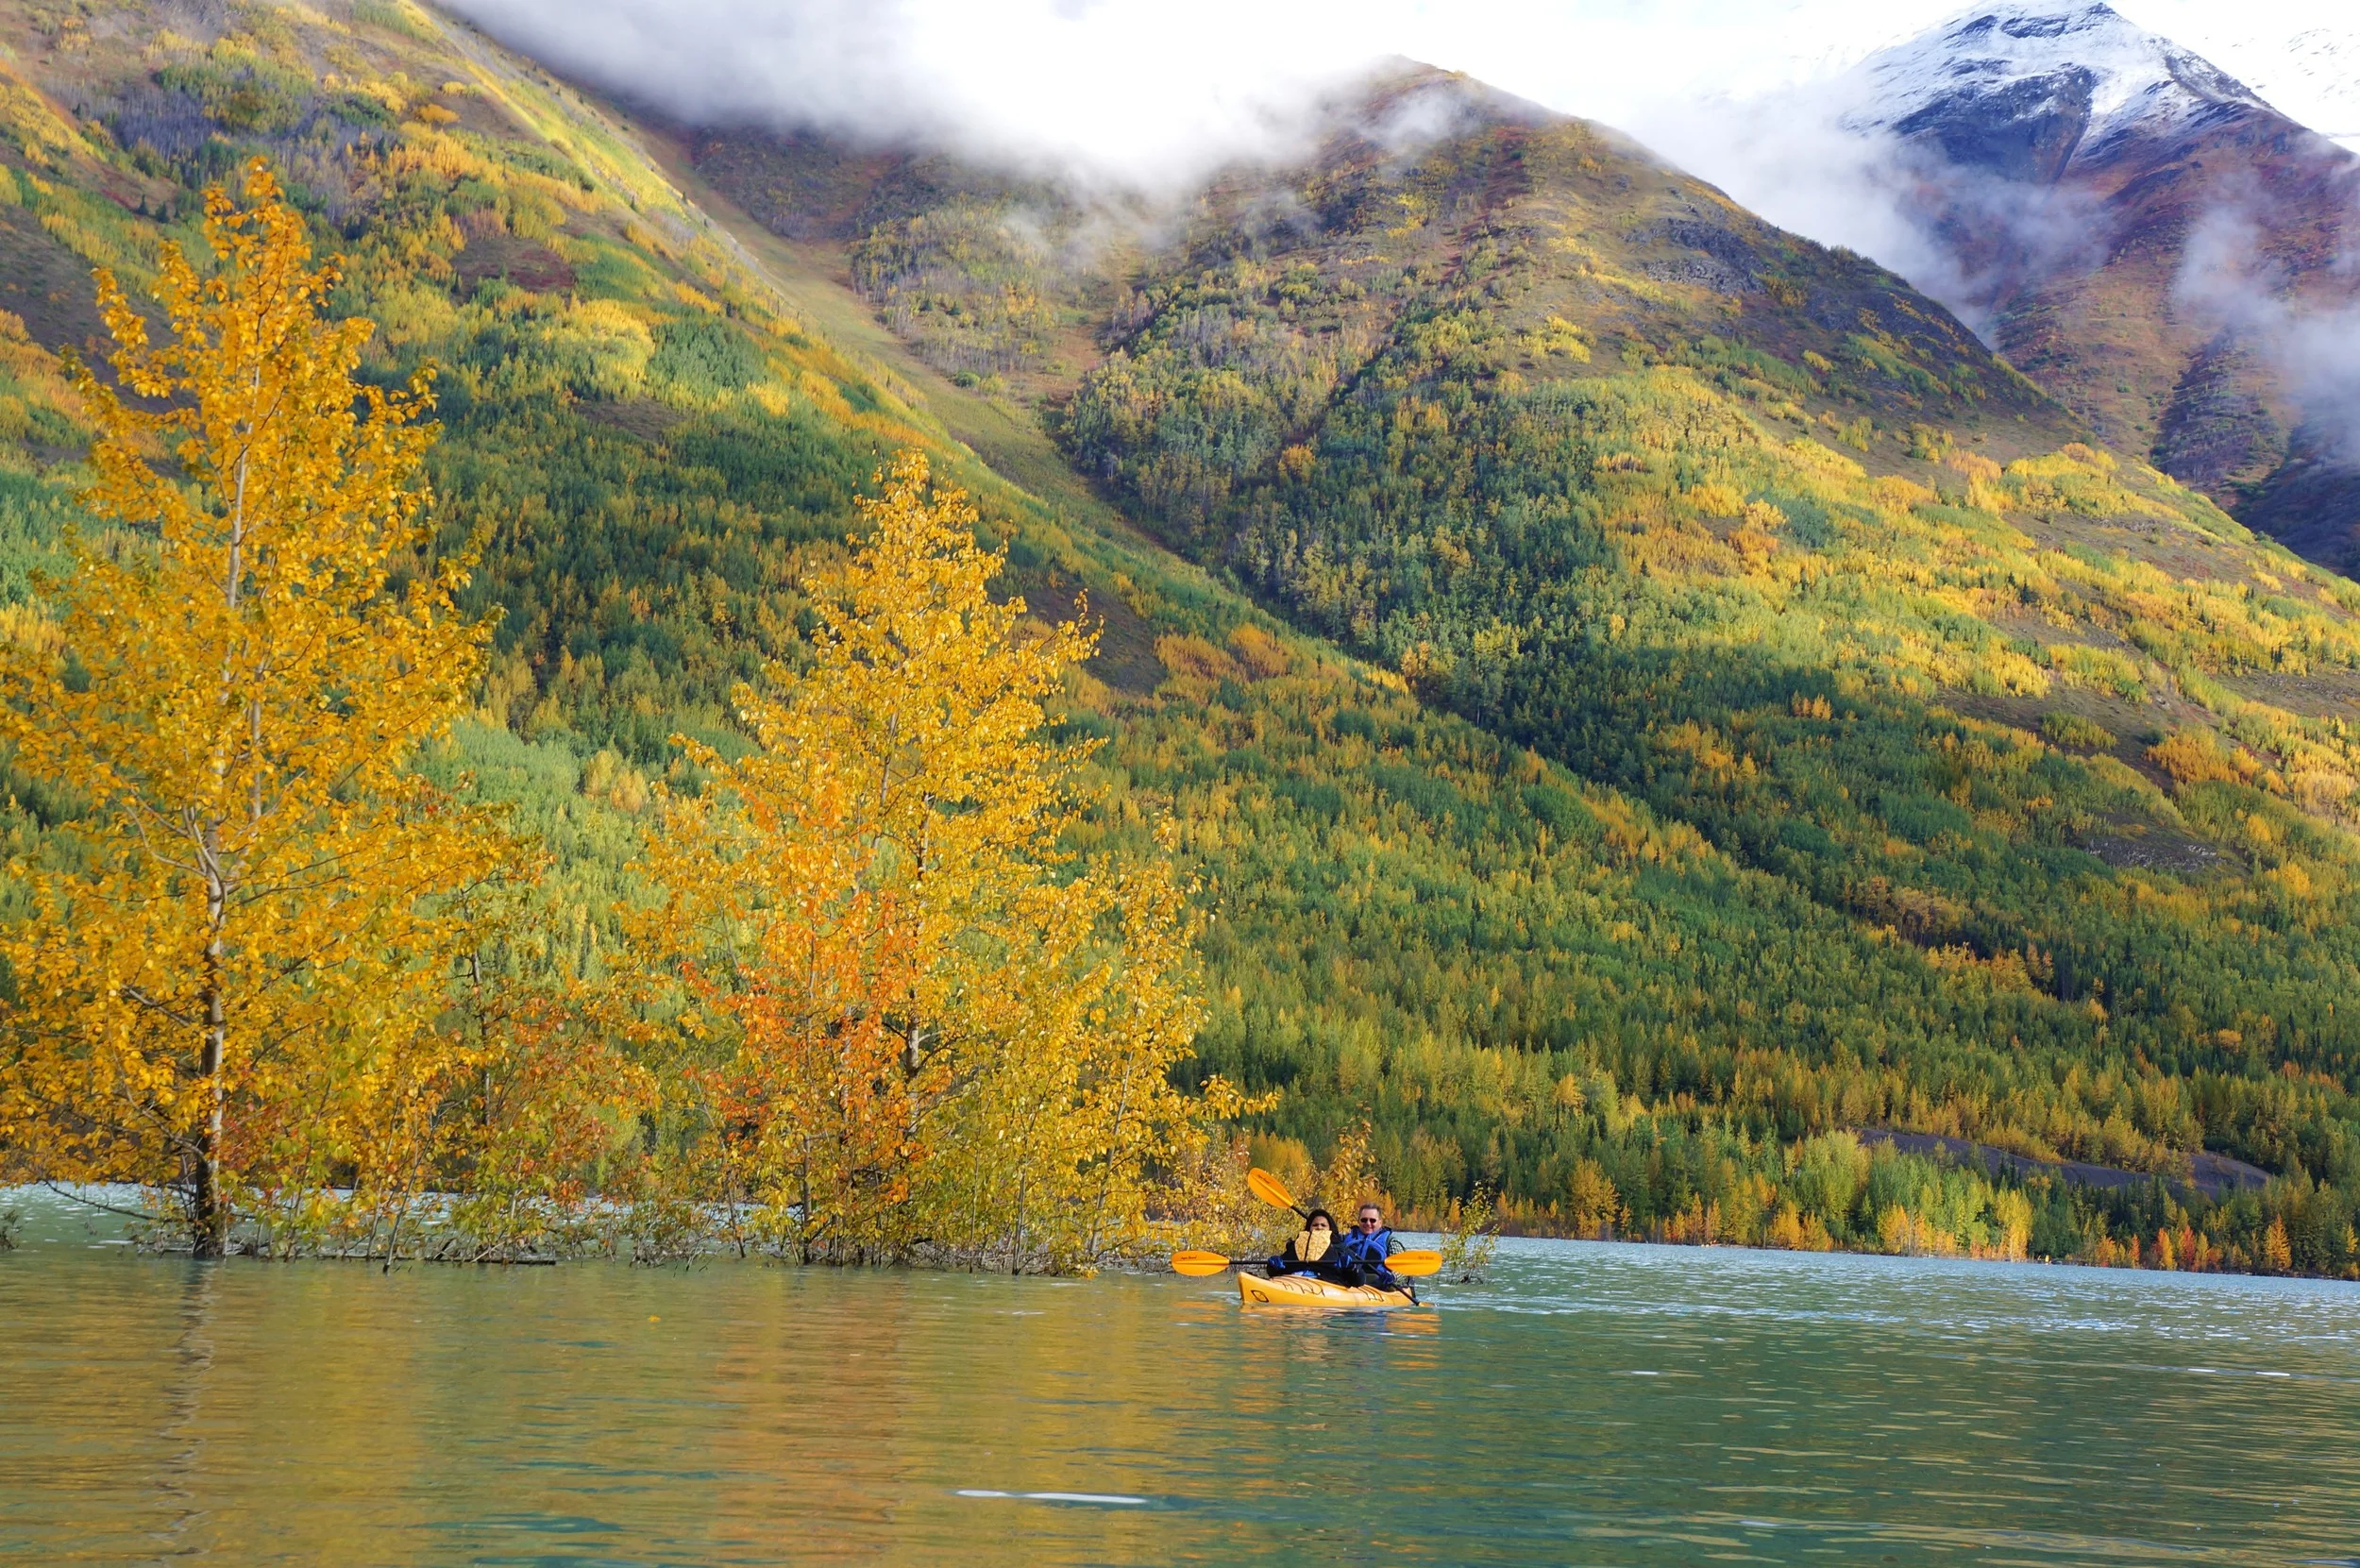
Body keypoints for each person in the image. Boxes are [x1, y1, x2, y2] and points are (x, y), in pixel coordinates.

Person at [1331, 1202, 1406, 1290]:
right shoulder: (1344, 1239)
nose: (1368, 1223)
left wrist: (1393, 1276)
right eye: (1364, 1220)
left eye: (1372, 1220)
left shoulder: (1390, 1242)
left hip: (1379, 1287)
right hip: (1347, 1284)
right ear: (1359, 1221)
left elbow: (1402, 1268)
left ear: (1380, 1223)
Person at [1269, 1209, 1338, 1276]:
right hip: (1294, 1281)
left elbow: (1347, 1276)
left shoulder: (1338, 1247)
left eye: (1323, 1225)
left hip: (1325, 1282)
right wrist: (1273, 1266)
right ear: (1309, 1228)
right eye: (1315, 1225)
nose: (1319, 1227)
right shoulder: (1295, 1246)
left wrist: (1348, 1268)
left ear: (1330, 1228)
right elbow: (1276, 1271)